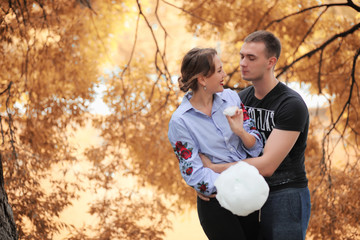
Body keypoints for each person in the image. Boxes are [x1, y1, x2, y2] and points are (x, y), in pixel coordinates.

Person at [199, 30, 311, 240]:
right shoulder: (239, 100)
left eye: (251, 58)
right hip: (246, 193)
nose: (243, 63)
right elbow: (218, 147)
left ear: (271, 62)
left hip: (284, 194)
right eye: (242, 56)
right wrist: (201, 181)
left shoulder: (290, 105)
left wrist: (213, 170)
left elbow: (268, 166)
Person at [168, 47, 263, 240]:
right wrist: (235, 182)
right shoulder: (181, 122)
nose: (224, 74)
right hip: (216, 205)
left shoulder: (231, 98)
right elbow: (195, 175)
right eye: (219, 70)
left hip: (249, 195)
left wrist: (240, 132)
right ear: (202, 79)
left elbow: (257, 147)